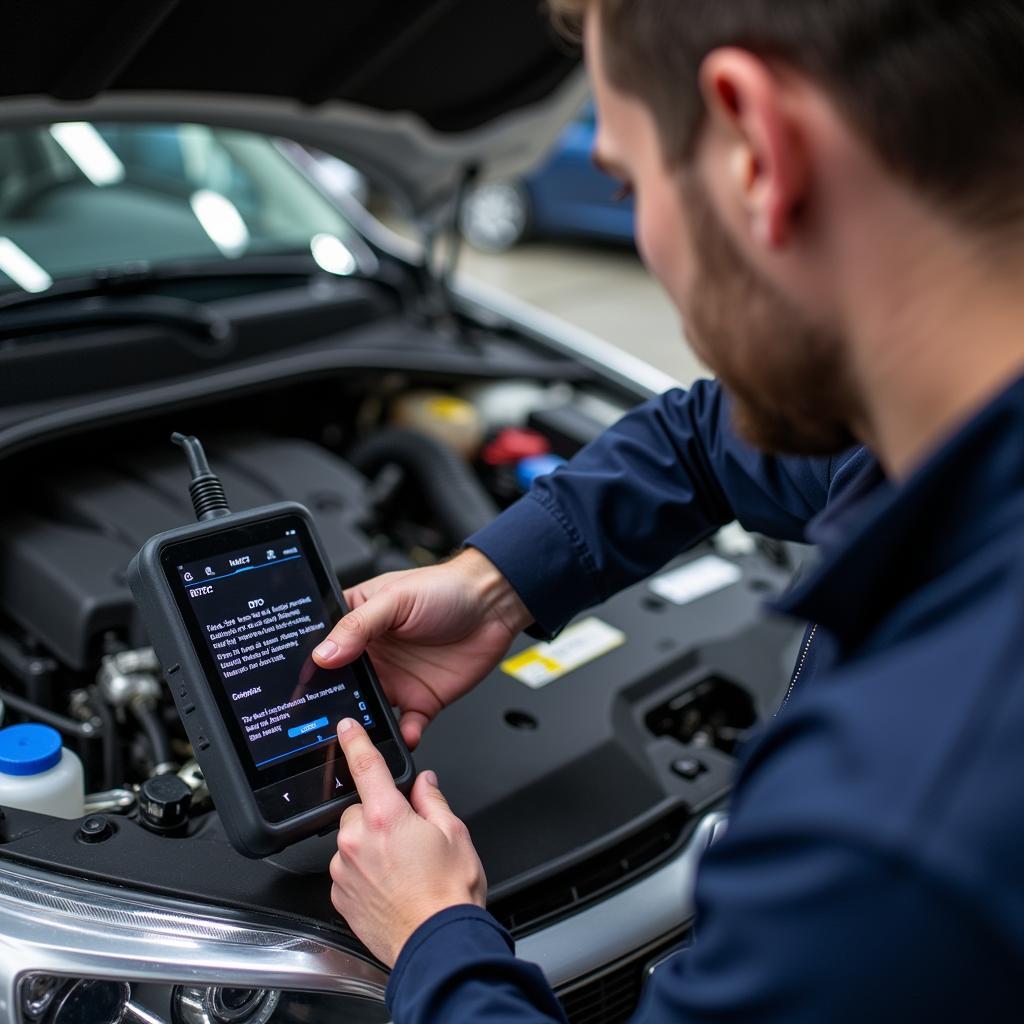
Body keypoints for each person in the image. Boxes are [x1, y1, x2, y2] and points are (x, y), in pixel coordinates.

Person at [313, 1, 1024, 1019]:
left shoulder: (894, 832)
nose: (641, 225)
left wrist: (434, 935)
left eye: (629, 179)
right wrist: (493, 581)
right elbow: (704, 441)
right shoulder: (929, 431)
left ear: (754, 150)